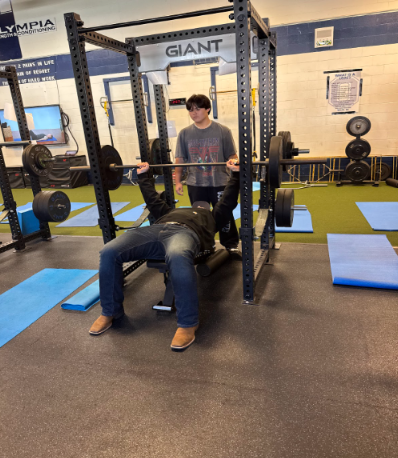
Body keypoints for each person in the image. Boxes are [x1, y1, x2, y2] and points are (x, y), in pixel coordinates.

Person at [89, 159, 240, 352]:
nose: (199, 206)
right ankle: (110, 312)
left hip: (185, 233)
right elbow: (153, 200)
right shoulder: (171, 211)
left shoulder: (213, 216)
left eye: (202, 205)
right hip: (155, 230)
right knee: (109, 251)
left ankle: (187, 323)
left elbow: (227, 199)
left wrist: (235, 174)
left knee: (178, 256)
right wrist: (143, 175)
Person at [174, 94, 240, 251]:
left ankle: (230, 245)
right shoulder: (184, 133)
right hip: (195, 184)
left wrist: (235, 169)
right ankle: (205, 246)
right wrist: (177, 181)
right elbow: (180, 159)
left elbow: (232, 155)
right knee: (199, 217)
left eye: (197, 109)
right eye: (190, 110)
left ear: (208, 109)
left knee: (225, 215)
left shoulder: (223, 131)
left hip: (220, 182)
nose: (193, 113)